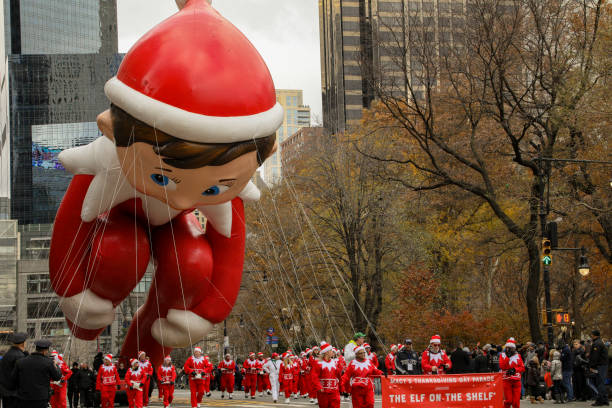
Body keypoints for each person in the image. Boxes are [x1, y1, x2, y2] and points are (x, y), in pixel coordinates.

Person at [9, 339, 62, 408]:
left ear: (36, 348)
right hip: (41, 398)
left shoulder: (20, 362)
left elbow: (13, 379)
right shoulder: (49, 362)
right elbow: (57, 377)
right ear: (45, 351)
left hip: (24, 398)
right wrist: (56, 366)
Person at [0, 332, 27, 408]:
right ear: (23, 343)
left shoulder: (7, 354)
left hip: (5, 392)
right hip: (15, 393)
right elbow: (21, 376)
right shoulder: (20, 356)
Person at [312, 342, 342, 408]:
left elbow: (339, 376)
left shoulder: (334, 362)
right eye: (331, 350)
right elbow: (314, 376)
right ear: (326, 352)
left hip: (334, 391)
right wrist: (319, 387)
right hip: (323, 392)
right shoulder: (318, 363)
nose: (332, 352)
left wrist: (341, 386)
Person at [499, 338, 525, 408]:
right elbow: (502, 366)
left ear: (514, 348)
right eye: (508, 348)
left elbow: (522, 368)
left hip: (516, 381)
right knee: (508, 401)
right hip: (506, 380)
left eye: (511, 348)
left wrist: (514, 369)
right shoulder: (502, 355)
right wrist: (508, 357)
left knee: (516, 402)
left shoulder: (518, 356)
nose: (509, 350)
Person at [588, 329, 609, 406]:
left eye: (592, 335)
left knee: (599, 383)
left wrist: (592, 366)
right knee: (601, 382)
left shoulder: (597, 343)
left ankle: (600, 400)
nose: (591, 336)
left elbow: (595, 356)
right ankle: (605, 399)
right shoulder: (600, 342)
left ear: (594, 335)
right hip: (603, 365)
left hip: (600, 365)